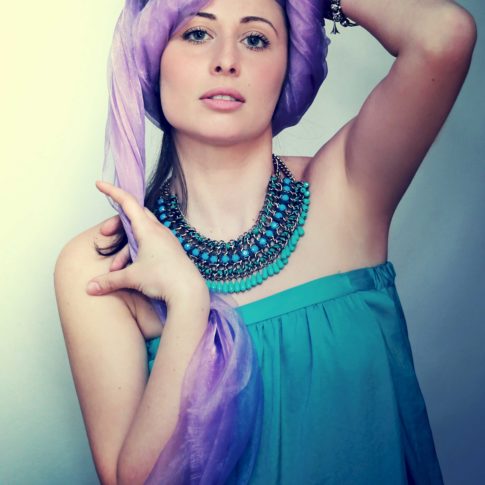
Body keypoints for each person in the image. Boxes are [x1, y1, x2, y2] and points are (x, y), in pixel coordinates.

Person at [54, 0, 477, 483]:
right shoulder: (103, 266)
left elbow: (444, 35)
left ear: (290, 68)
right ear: (152, 57)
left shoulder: (347, 190)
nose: (226, 60)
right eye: (197, 34)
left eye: (255, 39)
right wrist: (188, 303)